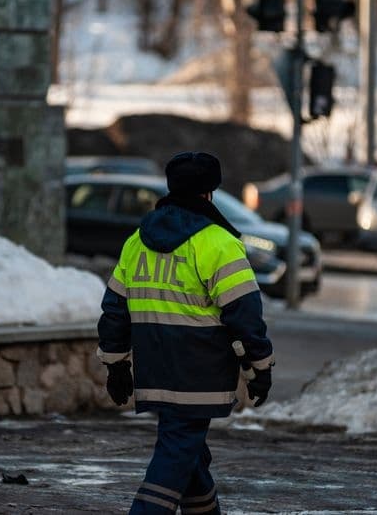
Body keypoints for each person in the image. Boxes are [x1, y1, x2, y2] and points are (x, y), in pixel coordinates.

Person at [97, 151, 274, 515]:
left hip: (154, 370)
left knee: (189, 453)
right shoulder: (219, 243)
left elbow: (115, 307)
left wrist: (115, 365)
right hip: (199, 372)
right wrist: (260, 366)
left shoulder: (137, 241)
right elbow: (245, 315)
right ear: (210, 194)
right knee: (177, 451)